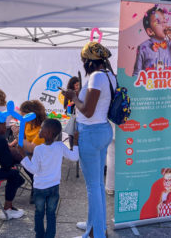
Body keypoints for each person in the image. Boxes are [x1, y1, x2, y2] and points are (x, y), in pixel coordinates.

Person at [63, 41, 115, 238]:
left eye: (84, 60)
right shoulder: (110, 76)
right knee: (98, 185)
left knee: (93, 186)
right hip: (103, 130)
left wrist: (73, 97)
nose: (83, 64)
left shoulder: (96, 78)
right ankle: (95, 227)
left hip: (91, 132)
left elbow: (88, 110)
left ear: (89, 62)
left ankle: (97, 233)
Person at [20, 119, 79, 238]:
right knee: (51, 214)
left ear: (50, 134)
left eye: (42, 128)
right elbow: (74, 157)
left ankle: (39, 235)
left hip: (40, 188)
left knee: (39, 213)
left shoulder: (38, 149)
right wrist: (76, 142)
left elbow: (34, 170)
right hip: (54, 188)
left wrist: (23, 157)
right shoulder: (60, 146)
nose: (40, 130)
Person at [133, 5, 171, 76]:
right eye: (158, 22)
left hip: (166, 84)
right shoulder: (143, 47)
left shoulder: (169, 44)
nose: (164, 25)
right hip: (148, 85)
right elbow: (136, 73)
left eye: (165, 21)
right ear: (150, 31)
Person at [19, 100, 47, 204]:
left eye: (24, 116)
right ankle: (32, 183)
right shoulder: (27, 122)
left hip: (40, 155)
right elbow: (24, 137)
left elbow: (32, 147)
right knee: (9, 155)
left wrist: (19, 139)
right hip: (29, 153)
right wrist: (15, 140)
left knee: (25, 162)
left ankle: (36, 185)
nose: (23, 118)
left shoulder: (43, 127)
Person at [63, 76, 80, 148]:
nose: (78, 87)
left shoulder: (80, 92)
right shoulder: (68, 93)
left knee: (77, 133)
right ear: (72, 85)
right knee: (71, 133)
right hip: (71, 115)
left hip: (79, 115)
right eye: (76, 85)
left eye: (79, 85)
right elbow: (65, 107)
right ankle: (72, 148)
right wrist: (73, 102)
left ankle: (77, 148)